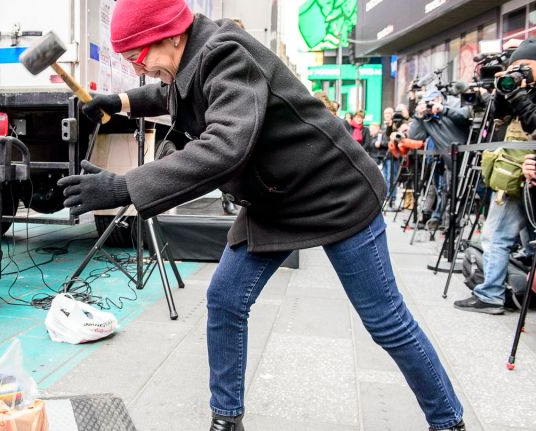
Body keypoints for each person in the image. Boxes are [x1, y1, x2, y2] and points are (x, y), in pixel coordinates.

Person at [57, 1, 465, 429]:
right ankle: (227, 420)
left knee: (385, 320)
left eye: (136, 57)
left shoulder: (227, 54)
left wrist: (125, 186)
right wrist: (119, 100)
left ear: (171, 35)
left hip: (334, 192)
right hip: (275, 199)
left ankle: (448, 421)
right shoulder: (193, 55)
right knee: (226, 300)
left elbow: (224, 146)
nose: (138, 69)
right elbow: (170, 93)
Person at [454, 38, 536, 315]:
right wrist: (505, 91)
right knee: (524, 239)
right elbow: (496, 116)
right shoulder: (519, 89)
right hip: (514, 173)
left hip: (520, 176)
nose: (518, 73)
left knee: (496, 236)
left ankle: (490, 294)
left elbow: (533, 122)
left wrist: (520, 96)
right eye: (515, 67)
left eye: (524, 67)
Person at [408, 89, 471, 229]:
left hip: (469, 157)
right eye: (427, 104)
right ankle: (450, 229)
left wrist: (443, 110)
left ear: (439, 99)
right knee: (449, 193)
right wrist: (418, 116)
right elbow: (414, 136)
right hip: (449, 161)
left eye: (431, 102)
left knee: (468, 194)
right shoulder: (426, 118)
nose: (429, 107)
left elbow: (466, 116)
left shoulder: (454, 102)